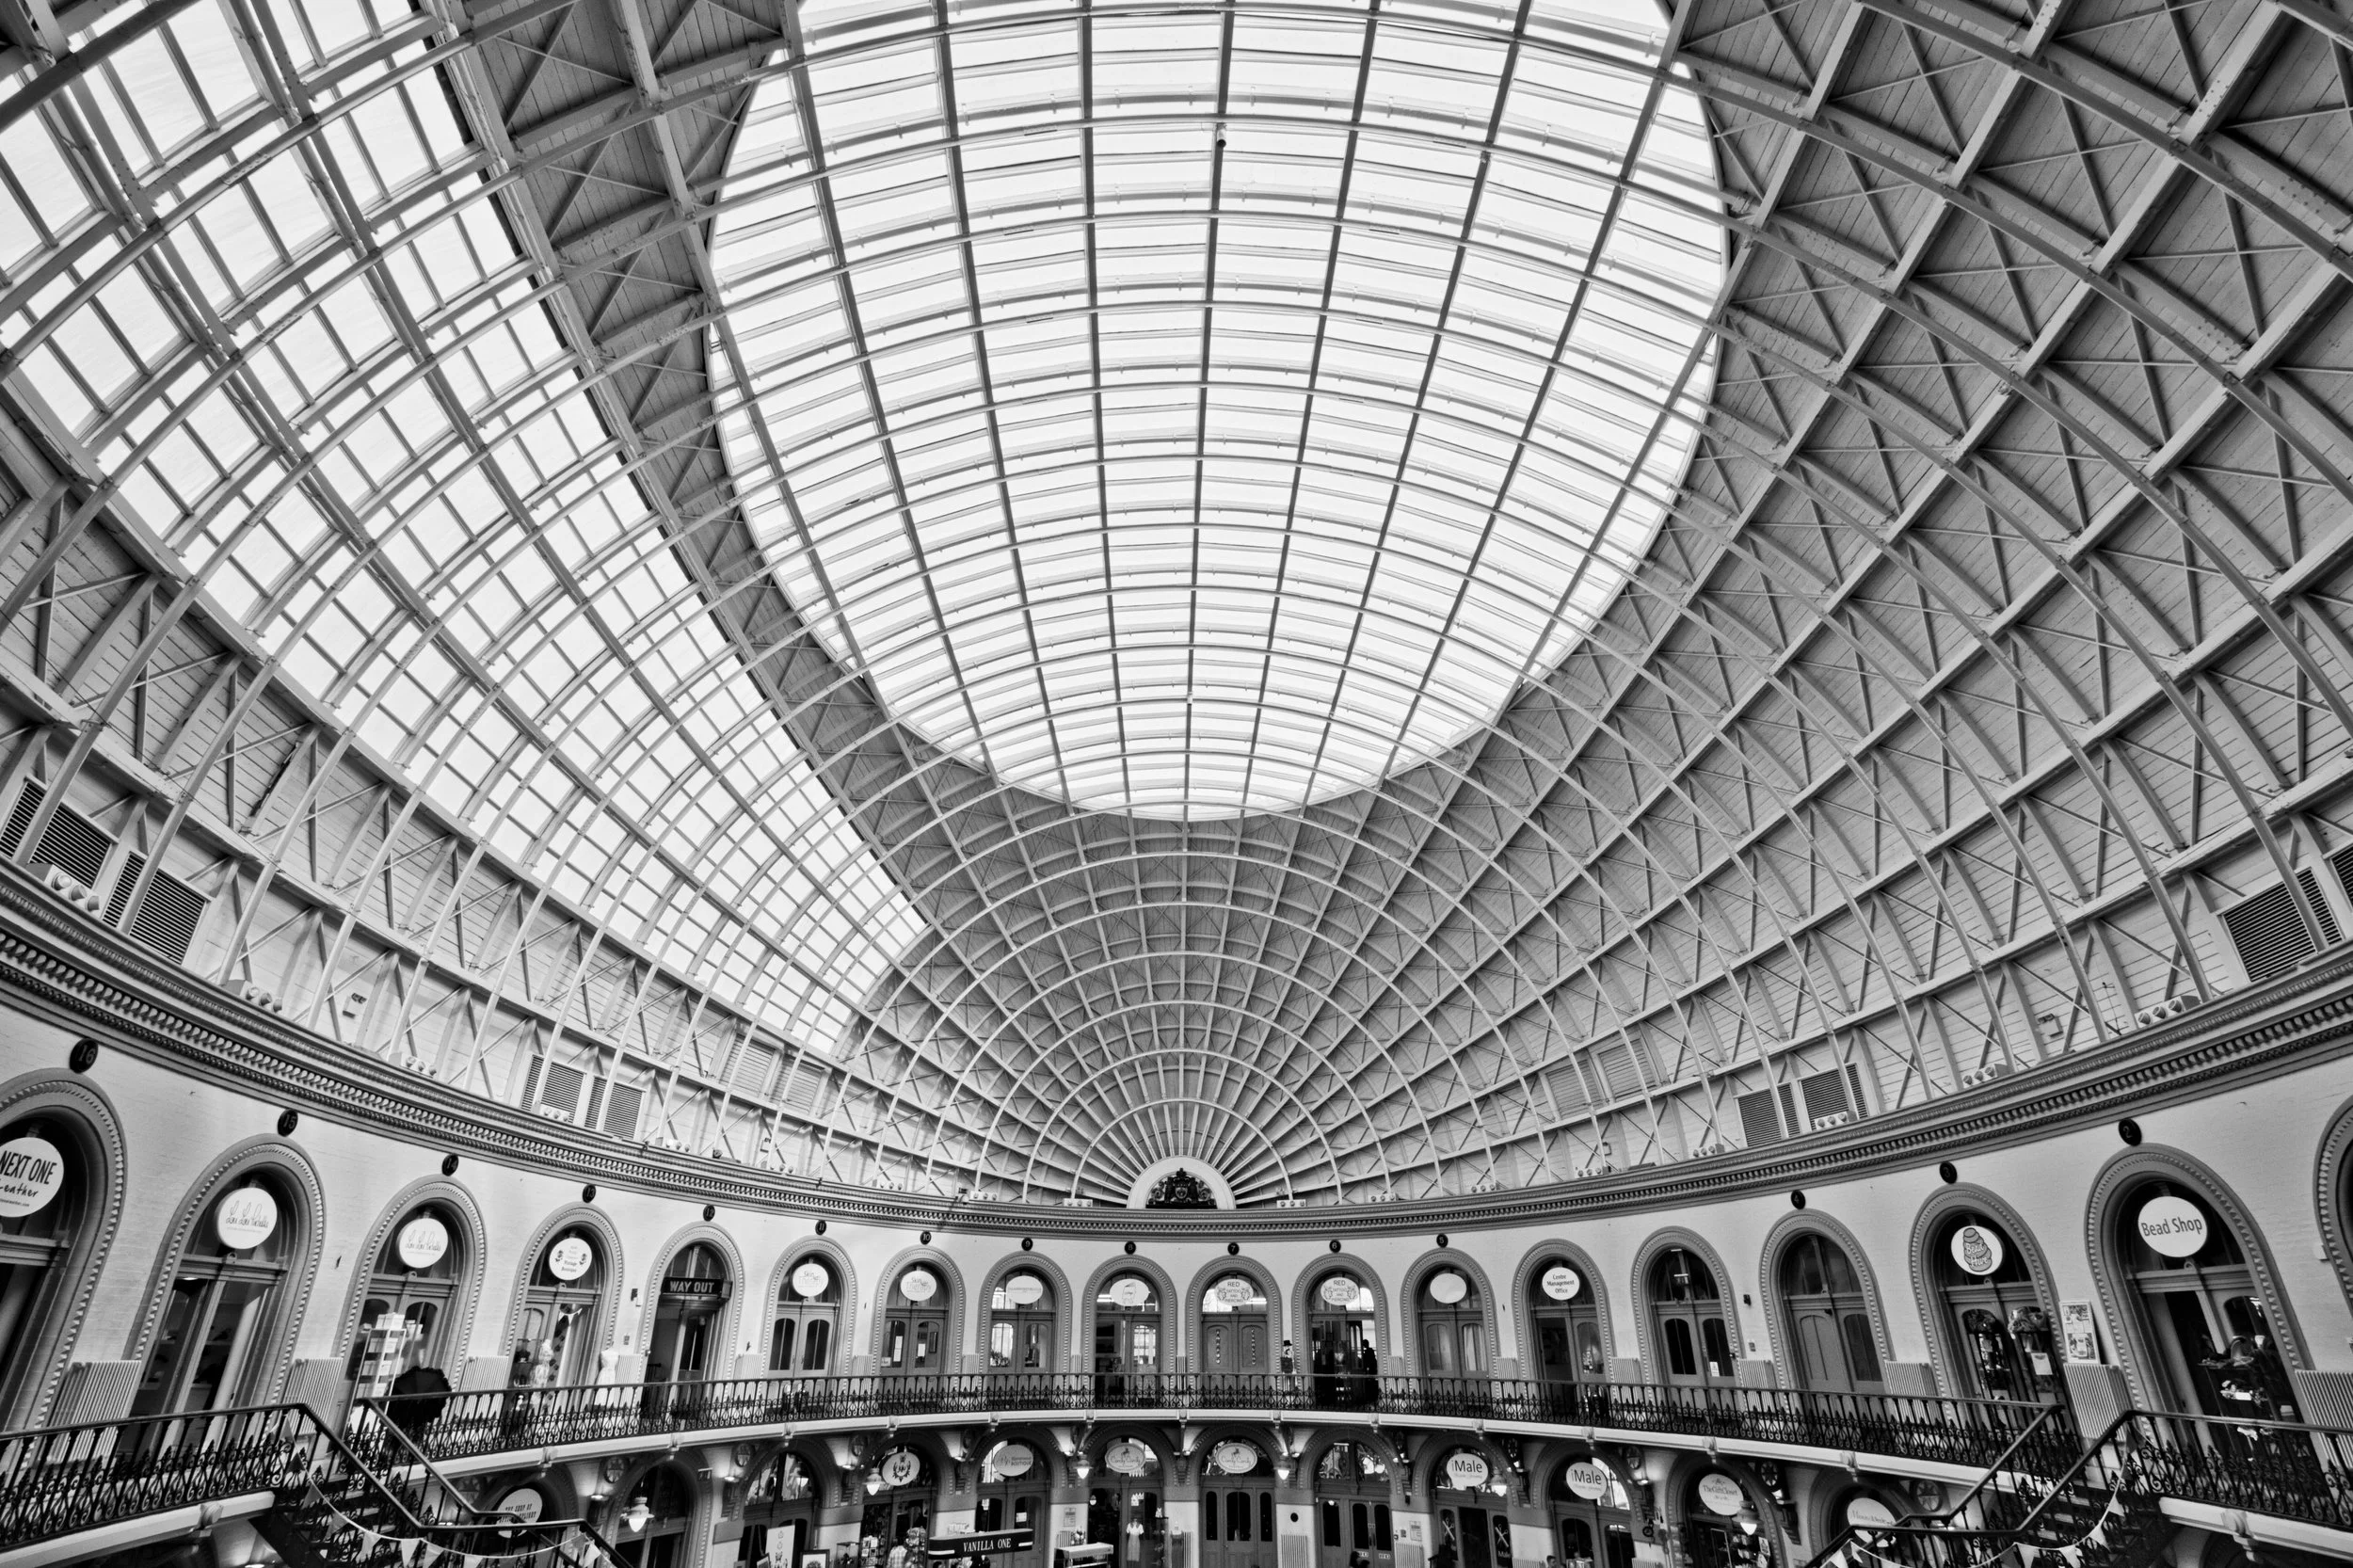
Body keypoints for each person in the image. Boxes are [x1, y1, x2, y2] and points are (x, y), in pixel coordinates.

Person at [385, 1340, 453, 1446]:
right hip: (414, 1413)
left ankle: (400, 1448)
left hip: (411, 1413)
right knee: (409, 1431)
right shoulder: (424, 1379)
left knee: (404, 1429)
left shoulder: (416, 1378)